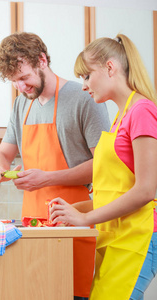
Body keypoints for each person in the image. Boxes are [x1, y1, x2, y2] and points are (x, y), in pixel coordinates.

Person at [0, 32, 110, 300]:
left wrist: (47, 178)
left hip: (75, 223)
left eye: (24, 78)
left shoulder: (84, 98)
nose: (20, 87)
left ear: (42, 60)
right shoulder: (22, 105)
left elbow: (104, 166)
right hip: (33, 230)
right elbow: (3, 154)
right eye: (13, 81)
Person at [50, 33, 157, 300]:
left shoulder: (142, 111)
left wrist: (85, 219)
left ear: (110, 67)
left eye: (86, 76)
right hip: (115, 235)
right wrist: (72, 210)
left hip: (139, 235)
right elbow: (113, 192)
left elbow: (146, 190)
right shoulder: (120, 117)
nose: (84, 86)